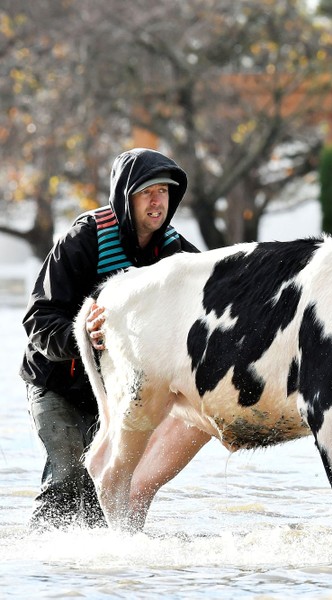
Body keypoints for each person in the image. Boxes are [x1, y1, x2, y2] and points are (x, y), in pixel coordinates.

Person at [20, 148, 200, 531]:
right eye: (147, 191)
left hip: (118, 394)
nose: (158, 201)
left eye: (164, 192)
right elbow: (38, 319)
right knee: (69, 478)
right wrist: (79, 335)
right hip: (56, 385)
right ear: (124, 196)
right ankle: (37, 565)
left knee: (106, 488)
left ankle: (99, 575)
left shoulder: (178, 253)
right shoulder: (84, 238)